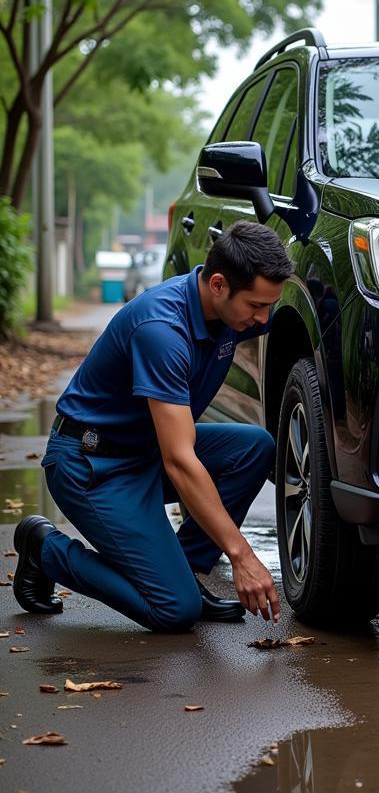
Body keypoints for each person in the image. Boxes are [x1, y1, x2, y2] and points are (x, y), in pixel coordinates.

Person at [12, 221, 294, 633]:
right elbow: (179, 460)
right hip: (91, 466)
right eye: (256, 306)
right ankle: (45, 549)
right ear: (218, 285)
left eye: (269, 305)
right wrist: (241, 556)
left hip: (143, 453)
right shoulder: (162, 330)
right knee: (173, 611)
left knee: (252, 448)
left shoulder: (232, 311)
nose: (263, 318)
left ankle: (183, 572)